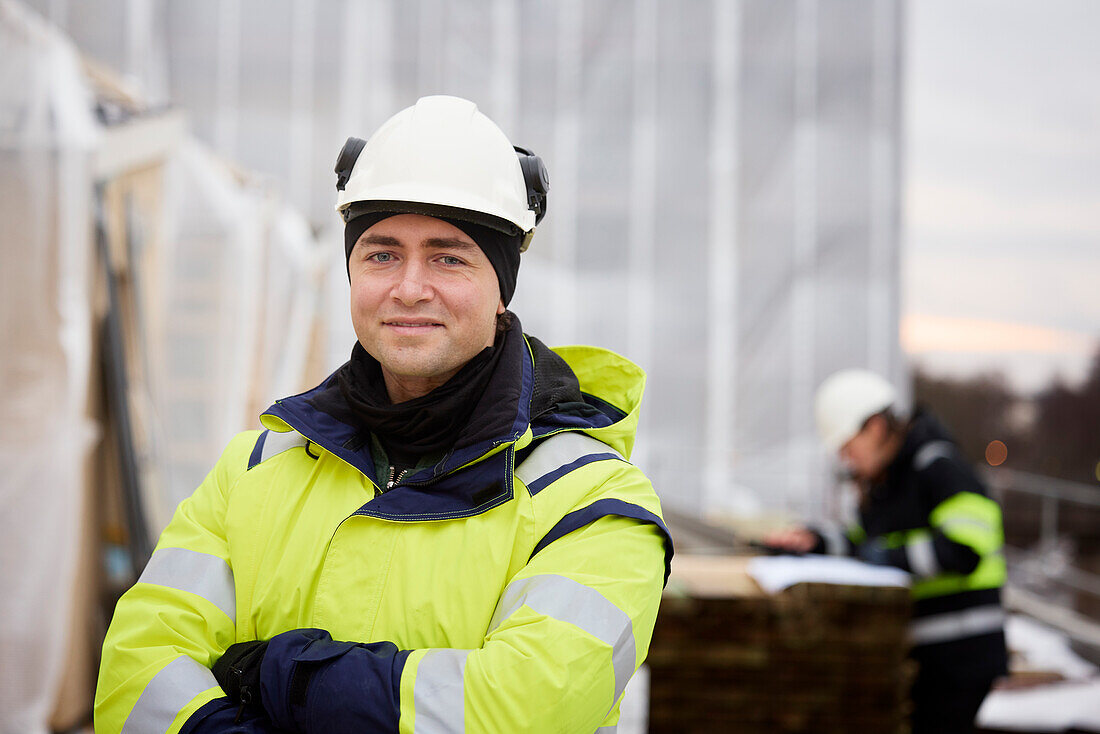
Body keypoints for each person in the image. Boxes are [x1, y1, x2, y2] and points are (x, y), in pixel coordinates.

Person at [95, 95, 672, 734]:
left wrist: (290, 675)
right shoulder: (254, 468)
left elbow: (527, 706)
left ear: (500, 286)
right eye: (381, 253)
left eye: (449, 256)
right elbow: (137, 669)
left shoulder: (591, 500)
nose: (408, 287)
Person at [764, 368, 1008, 734]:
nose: (847, 459)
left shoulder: (938, 465)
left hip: (963, 653)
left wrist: (885, 557)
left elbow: (964, 549)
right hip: (930, 652)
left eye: (848, 446)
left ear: (875, 427)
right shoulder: (889, 482)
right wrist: (814, 542)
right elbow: (866, 542)